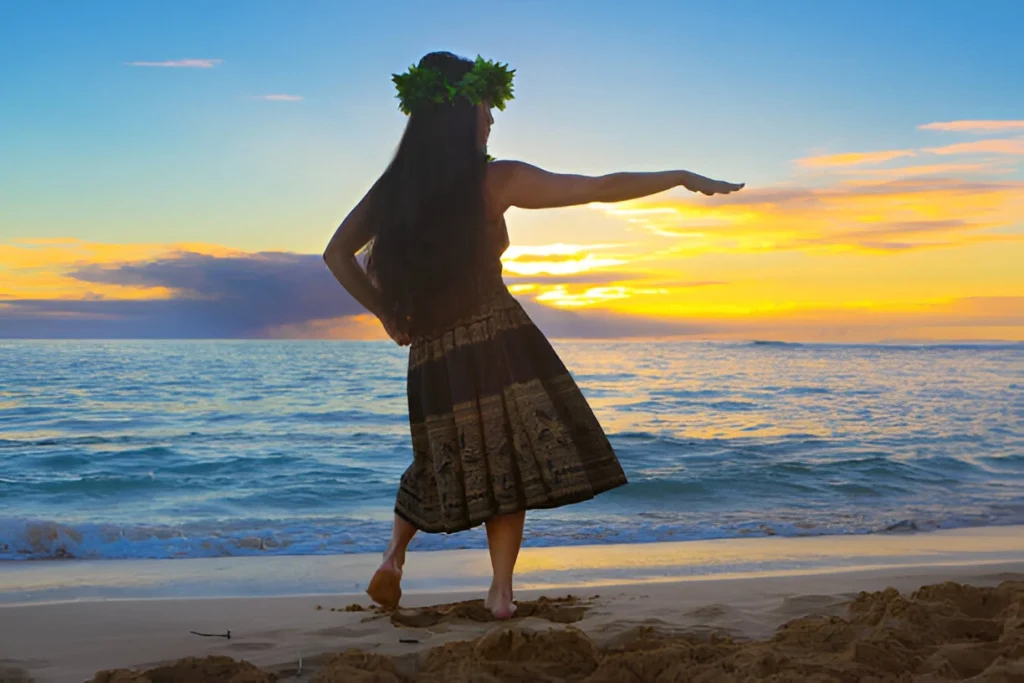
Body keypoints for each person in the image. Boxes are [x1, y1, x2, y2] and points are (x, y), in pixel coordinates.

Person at [323, 51, 743, 619]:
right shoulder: (495, 179)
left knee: (436, 456)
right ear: (459, 113)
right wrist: (677, 176)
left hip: (431, 355)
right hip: (496, 340)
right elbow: (597, 187)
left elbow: (336, 253)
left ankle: (393, 559)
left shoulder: (395, 190)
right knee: (512, 461)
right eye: (485, 108)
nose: (492, 120)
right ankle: (500, 591)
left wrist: (384, 314)